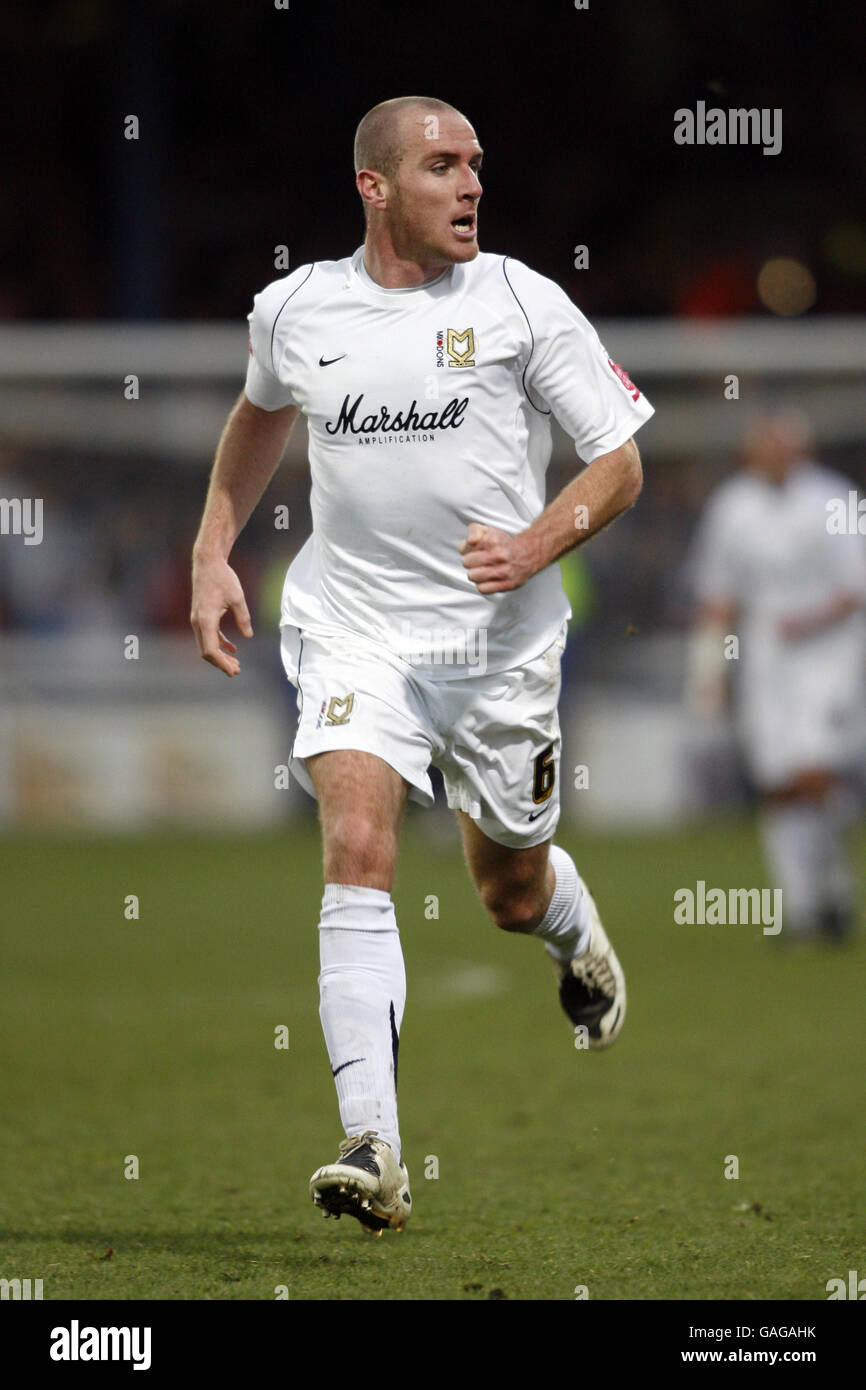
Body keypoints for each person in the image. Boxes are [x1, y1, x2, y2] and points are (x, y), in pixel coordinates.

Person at [190, 96, 653, 1235]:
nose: (470, 186)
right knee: (354, 843)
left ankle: (572, 927)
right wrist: (211, 547)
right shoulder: (295, 309)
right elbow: (259, 417)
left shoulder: (518, 300)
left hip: (498, 650)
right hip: (354, 625)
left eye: (476, 166)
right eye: (443, 166)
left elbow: (620, 462)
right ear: (374, 185)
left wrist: (537, 542)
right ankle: (374, 1145)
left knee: (507, 890)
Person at [686, 410, 866, 942]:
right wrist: (708, 673)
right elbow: (717, 598)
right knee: (777, 786)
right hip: (765, 663)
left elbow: (856, 588)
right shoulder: (731, 507)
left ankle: (829, 888)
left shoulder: (836, 500)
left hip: (831, 657)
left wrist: (808, 620)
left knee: (815, 778)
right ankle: (809, 910)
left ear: (800, 450)